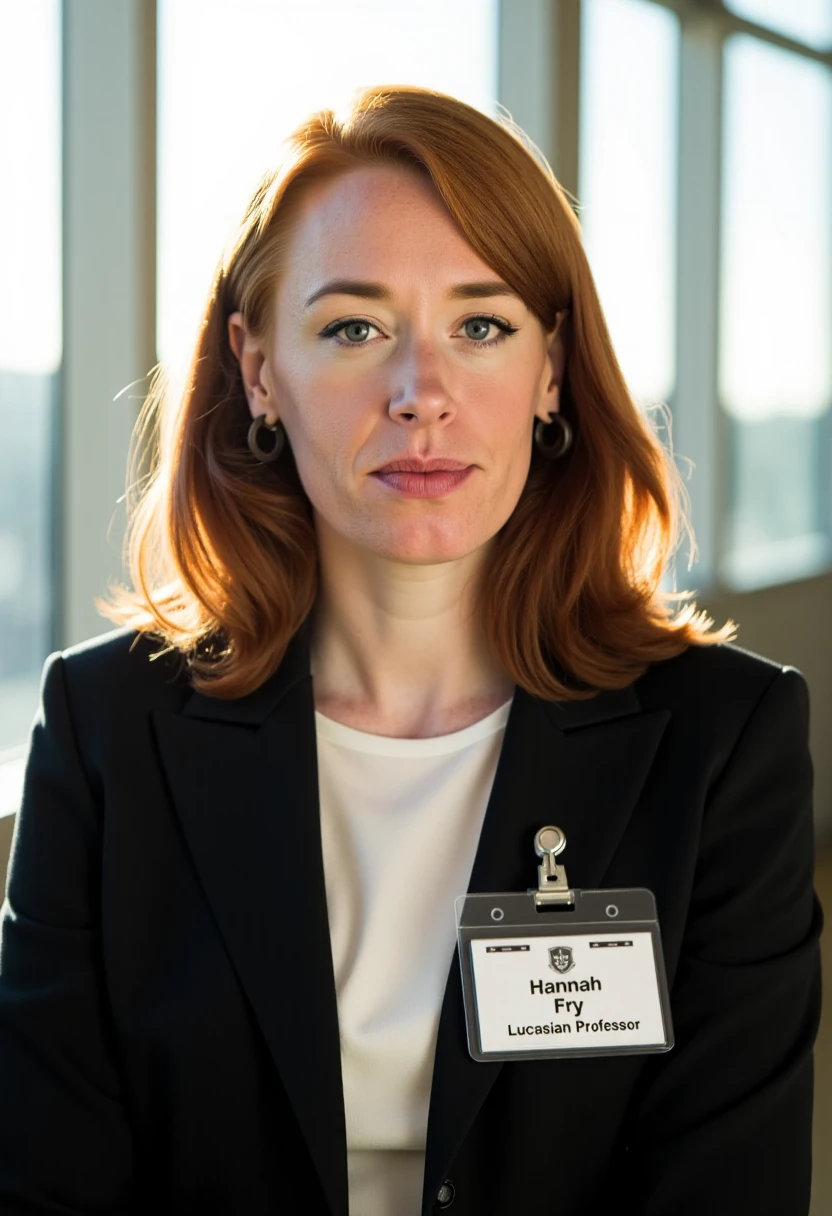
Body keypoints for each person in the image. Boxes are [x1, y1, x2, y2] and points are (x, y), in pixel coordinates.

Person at [0, 84, 822, 1216]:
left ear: (549, 369)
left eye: (480, 326)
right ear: (256, 371)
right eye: (353, 328)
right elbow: (52, 1180)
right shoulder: (105, 730)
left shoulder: (723, 740)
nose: (419, 394)